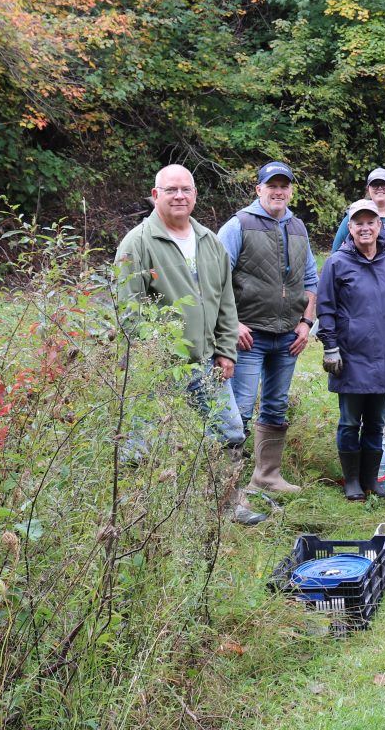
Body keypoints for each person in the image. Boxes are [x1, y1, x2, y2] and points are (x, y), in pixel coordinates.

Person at [114, 164, 255, 523]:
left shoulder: (209, 241)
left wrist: (225, 350)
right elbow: (129, 310)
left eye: (186, 189)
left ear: (195, 195)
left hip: (206, 363)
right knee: (139, 445)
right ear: (155, 194)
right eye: (171, 190)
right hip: (157, 368)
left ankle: (227, 505)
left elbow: (225, 302)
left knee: (230, 432)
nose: (179, 196)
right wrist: (157, 353)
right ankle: (134, 513)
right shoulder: (137, 243)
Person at [217, 160, 318, 496]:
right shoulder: (238, 225)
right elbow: (216, 277)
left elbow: (311, 280)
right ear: (258, 189)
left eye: (283, 186)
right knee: (240, 410)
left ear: (290, 191)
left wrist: (306, 323)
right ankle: (227, 487)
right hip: (249, 336)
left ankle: (266, 476)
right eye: (271, 185)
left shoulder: (299, 228)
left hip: (288, 336)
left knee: (276, 406)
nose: (278, 191)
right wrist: (231, 323)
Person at [317, 199, 385, 502]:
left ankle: (372, 480)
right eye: (358, 223)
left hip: (384, 355)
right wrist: (330, 347)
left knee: (376, 422)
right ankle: (352, 481)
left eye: (370, 222)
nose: (365, 228)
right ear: (350, 227)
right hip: (350, 356)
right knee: (349, 421)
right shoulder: (336, 263)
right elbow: (326, 307)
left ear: (379, 225)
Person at [332, 167, 385, 252]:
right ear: (368, 189)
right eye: (375, 184)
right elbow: (336, 252)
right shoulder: (353, 216)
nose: (379, 188)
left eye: (383, 184)